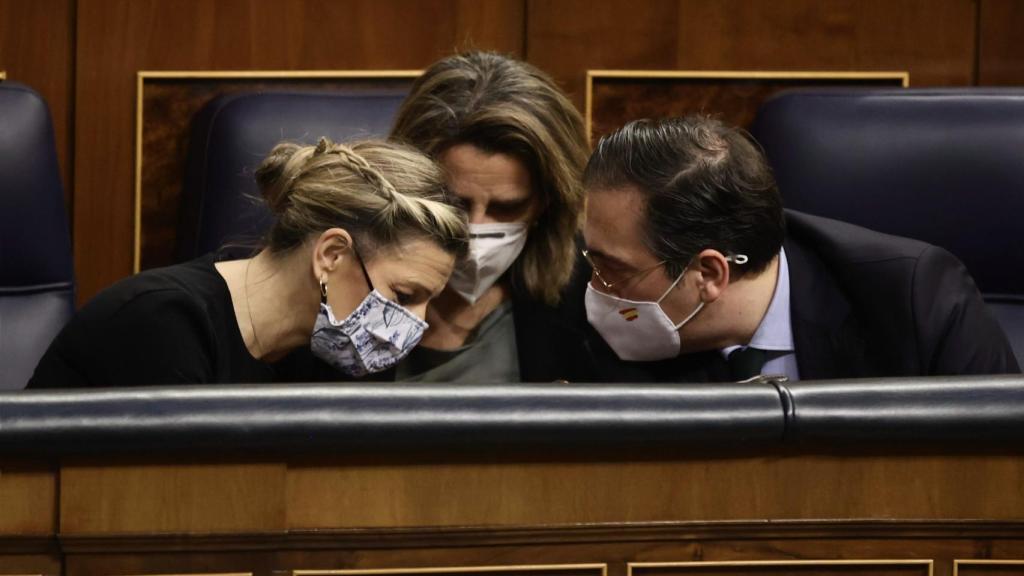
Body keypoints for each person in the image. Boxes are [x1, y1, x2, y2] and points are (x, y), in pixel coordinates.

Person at [580, 116, 1019, 382]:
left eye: (612, 269)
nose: (598, 286)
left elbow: (998, 471)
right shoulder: (597, 323)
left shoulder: (915, 299)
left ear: (709, 274)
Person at [28, 138, 468, 387]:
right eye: (405, 296)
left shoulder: (341, 355)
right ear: (332, 255)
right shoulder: (159, 324)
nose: (417, 322)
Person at [389, 51, 592, 383]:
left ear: (547, 203)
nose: (474, 230)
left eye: (506, 208)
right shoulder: (345, 276)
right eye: (455, 204)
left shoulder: (592, 290)